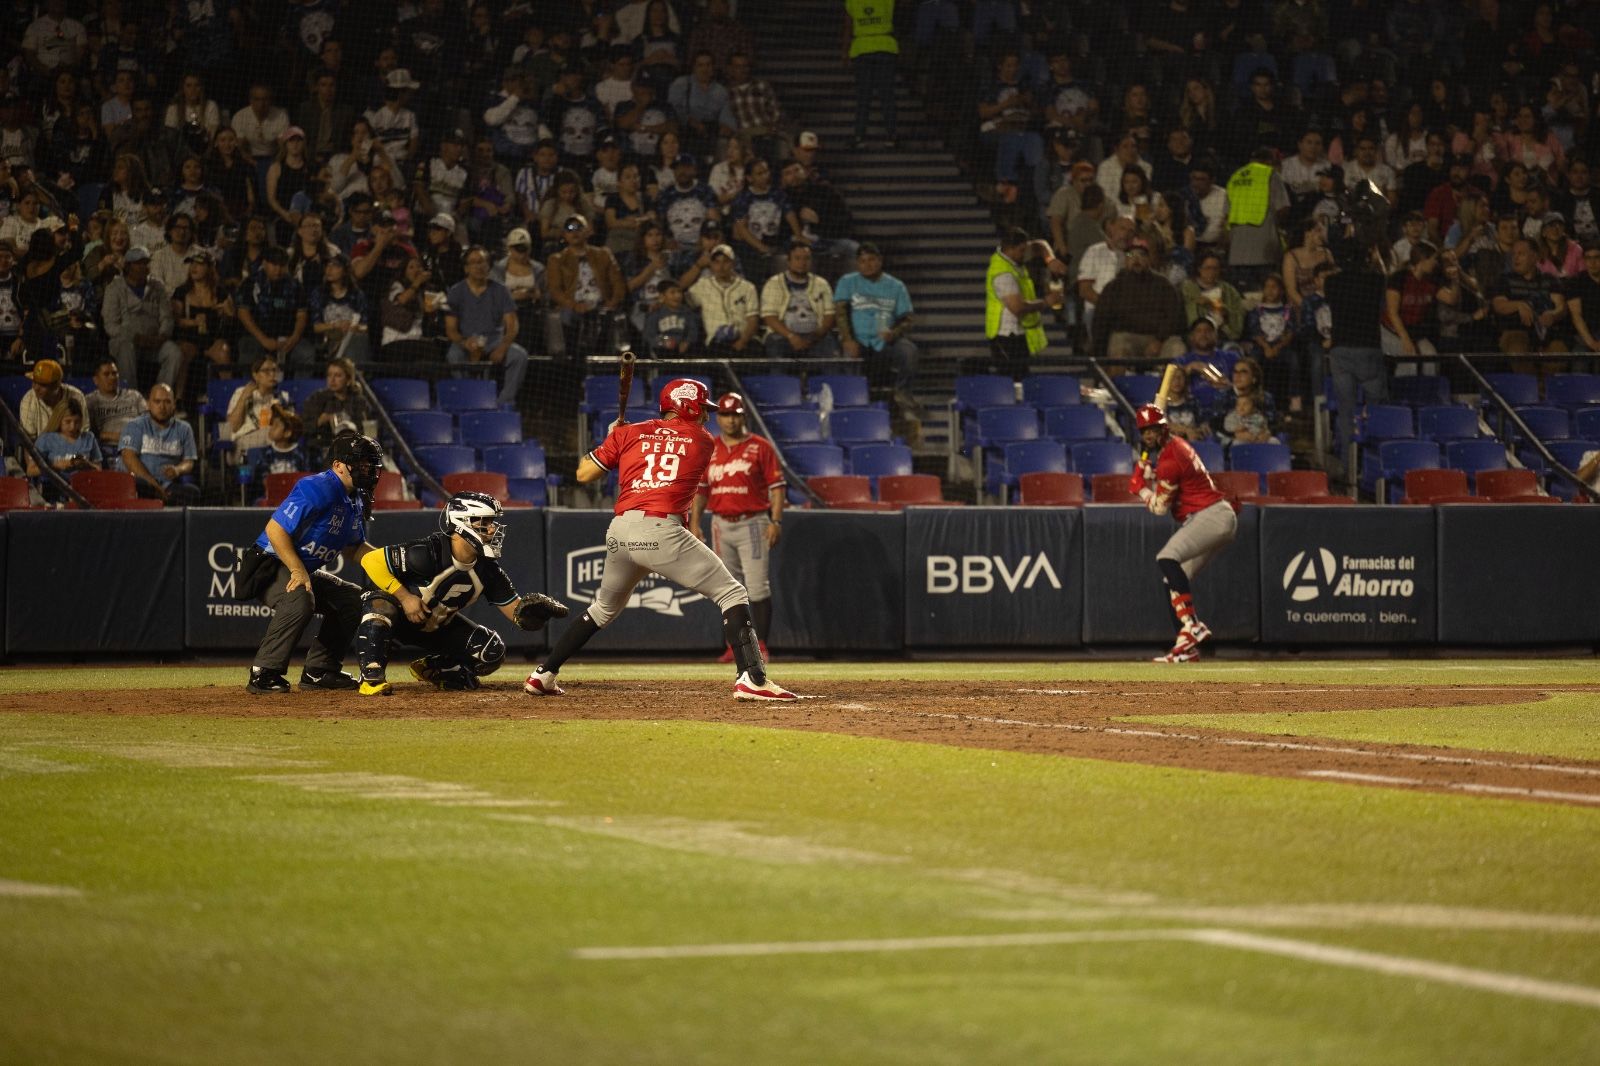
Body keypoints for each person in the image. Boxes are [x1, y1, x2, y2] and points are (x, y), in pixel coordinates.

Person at [524, 379, 796, 701]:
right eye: (703, 410)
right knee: (732, 591)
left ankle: (544, 674)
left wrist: (614, 439)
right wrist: (624, 439)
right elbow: (667, 445)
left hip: (620, 532)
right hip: (660, 530)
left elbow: (584, 474)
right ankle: (752, 679)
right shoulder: (702, 439)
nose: (707, 417)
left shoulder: (628, 433)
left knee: (602, 609)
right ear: (688, 407)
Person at [355, 492, 570, 696]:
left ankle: (434, 667)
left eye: (492, 522)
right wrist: (405, 597)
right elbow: (370, 560)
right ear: (461, 524)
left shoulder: (488, 569)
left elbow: (516, 613)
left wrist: (532, 615)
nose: (493, 529)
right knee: (380, 603)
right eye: (484, 523)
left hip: (436, 627)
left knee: (491, 651)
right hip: (398, 620)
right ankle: (371, 678)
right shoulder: (429, 551)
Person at [233, 431, 383, 695]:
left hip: (297, 567)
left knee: (353, 600)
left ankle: (320, 671)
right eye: (360, 463)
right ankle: (263, 673)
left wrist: (390, 562)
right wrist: (297, 570)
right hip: (269, 565)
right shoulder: (318, 487)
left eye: (370, 464)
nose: (367, 469)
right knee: (300, 598)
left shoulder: (356, 498)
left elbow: (354, 549)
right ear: (338, 465)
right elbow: (275, 530)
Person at [1129, 404, 1238, 663]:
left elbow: (1159, 507)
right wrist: (1151, 475)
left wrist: (1140, 489)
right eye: (1145, 432)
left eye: (1152, 430)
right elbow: (1175, 480)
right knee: (1173, 580)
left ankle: (1193, 624)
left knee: (1166, 558)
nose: (1148, 437)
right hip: (1216, 516)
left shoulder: (1169, 458)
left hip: (1210, 516)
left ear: (1163, 428)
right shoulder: (1174, 447)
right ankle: (1185, 646)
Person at [690, 392, 784, 661]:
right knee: (727, 587)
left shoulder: (760, 447)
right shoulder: (711, 447)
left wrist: (776, 520)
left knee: (757, 587)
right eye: (725, 414)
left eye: (735, 414)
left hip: (752, 522)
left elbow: (777, 488)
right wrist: (695, 524)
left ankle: (761, 645)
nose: (730, 420)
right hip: (721, 522)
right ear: (718, 418)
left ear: (743, 416)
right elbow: (702, 491)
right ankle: (735, 646)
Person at [834, 242, 918, 409]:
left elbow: (907, 318)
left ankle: (902, 392)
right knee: (848, 356)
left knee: (909, 351)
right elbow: (841, 314)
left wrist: (893, 333)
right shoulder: (847, 282)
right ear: (857, 263)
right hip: (858, 340)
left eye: (871, 260)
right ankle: (854, 400)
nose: (867, 265)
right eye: (862, 261)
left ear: (880, 261)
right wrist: (848, 339)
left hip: (886, 341)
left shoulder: (896, 286)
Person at [985, 227, 1065, 378]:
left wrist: (1051, 260)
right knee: (1013, 379)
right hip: (1006, 337)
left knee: (1022, 376)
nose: (1025, 254)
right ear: (1010, 249)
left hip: (1018, 333)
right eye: (1022, 251)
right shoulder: (1003, 274)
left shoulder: (1013, 257)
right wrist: (1047, 302)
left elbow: (1039, 245)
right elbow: (1018, 307)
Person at [1090, 237, 1187, 361]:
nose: (1136, 259)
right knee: (1118, 343)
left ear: (1148, 259)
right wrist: (1100, 354)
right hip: (1127, 337)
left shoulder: (1164, 285)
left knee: (1177, 347)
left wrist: (1159, 340)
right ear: (1125, 259)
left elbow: (1174, 317)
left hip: (1159, 338)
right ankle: (1115, 380)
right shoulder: (1113, 287)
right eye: (1131, 255)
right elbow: (1101, 321)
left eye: (1141, 255)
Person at [545, 214, 627, 359]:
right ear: (564, 234)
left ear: (587, 231)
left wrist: (612, 302)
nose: (574, 232)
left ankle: (602, 362)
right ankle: (573, 361)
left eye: (578, 227)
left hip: (601, 305)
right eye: (569, 229)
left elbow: (618, 282)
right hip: (572, 306)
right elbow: (555, 290)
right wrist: (574, 305)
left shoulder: (603, 254)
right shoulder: (556, 260)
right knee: (566, 316)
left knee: (610, 317)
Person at [101, 246, 183, 390]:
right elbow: (110, 325)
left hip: (154, 342)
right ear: (128, 266)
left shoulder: (157, 286)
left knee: (173, 352)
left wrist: (162, 336)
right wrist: (134, 337)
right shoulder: (114, 287)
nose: (143, 267)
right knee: (126, 348)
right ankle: (131, 396)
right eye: (138, 263)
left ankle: (160, 393)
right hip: (125, 341)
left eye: (145, 263)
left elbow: (167, 317)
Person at [237, 246, 316, 375]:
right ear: (264, 263)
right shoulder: (250, 284)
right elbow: (243, 313)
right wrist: (264, 340)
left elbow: (302, 315)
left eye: (281, 265)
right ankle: (248, 391)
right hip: (257, 337)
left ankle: (301, 393)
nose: (277, 269)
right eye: (274, 265)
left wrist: (294, 338)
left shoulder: (295, 286)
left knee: (306, 353)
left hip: (288, 339)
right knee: (248, 350)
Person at [117, 382, 199, 504]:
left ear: (174, 405)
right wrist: (154, 486)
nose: (162, 407)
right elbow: (128, 457)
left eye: (167, 402)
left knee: (193, 492)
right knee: (136, 485)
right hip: (143, 483)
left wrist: (177, 470)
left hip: (168, 485)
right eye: (157, 402)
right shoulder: (135, 426)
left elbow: (189, 461)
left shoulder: (184, 428)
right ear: (148, 404)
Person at [760, 241, 837, 358]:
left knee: (829, 345)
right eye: (797, 258)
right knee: (775, 345)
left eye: (806, 259)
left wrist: (815, 336)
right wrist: (791, 336)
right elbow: (769, 317)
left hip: (816, 336)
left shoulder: (822, 284)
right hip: (783, 337)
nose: (802, 263)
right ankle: (778, 377)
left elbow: (829, 315)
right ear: (789, 261)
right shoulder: (773, 283)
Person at [842, 0, 899, 148]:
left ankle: (859, 136)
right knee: (887, 95)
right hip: (885, 46)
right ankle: (892, 135)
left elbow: (848, 26)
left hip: (862, 49)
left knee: (864, 96)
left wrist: (845, 51)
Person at [688, 242, 760, 355]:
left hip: (745, 339)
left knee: (755, 349)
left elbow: (753, 320)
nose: (721, 267)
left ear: (733, 263)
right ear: (711, 264)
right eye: (716, 262)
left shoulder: (748, 287)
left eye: (725, 262)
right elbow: (679, 294)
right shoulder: (702, 286)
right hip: (717, 342)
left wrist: (742, 341)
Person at [18, 358, 90, 440]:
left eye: (42, 385)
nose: (36, 388)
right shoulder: (29, 400)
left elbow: (84, 432)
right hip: (40, 451)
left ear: (56, 385)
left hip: (73, 448)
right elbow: (28, 442)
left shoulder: (76, 396)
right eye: (34, 382)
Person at [85, 357, 146, 454]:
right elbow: (87, 432)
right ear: (96, 380)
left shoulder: (134, 395)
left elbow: (149, 421)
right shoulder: (90, 401)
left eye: (115, 373)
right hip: (108, 449)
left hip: (140, 445)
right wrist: (117, 436)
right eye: (106, 374)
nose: (112, 377)